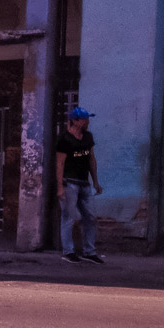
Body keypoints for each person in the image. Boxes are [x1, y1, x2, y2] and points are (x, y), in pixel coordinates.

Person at [56, 107, 104, 263]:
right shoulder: (65, 139)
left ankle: (89, 251)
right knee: (69, 218)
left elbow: (91, 159)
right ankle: (68, 251)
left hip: (84, 183)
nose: (87, 122)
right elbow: (60, 163)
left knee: (90, 217)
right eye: (84, 119)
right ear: (75, 121)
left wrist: (95, 181)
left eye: (87, 119)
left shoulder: (87, 137)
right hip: (69, 183)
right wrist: (60, 187)